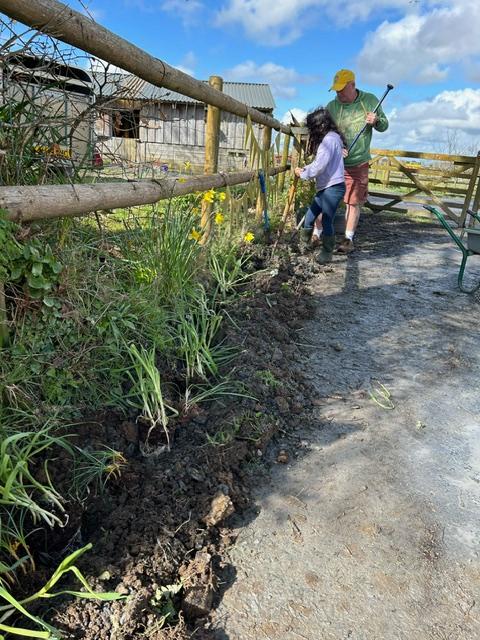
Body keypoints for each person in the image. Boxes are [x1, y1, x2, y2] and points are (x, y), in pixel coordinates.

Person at [326, 69, 389, 253]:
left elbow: (384, 125)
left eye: (341, 89)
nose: (338, 93)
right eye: (336, 90)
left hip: (358, 162)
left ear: (352, 85)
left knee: (352, 202)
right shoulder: (332, 106)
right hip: (335, 163)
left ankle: (348, 239)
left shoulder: (369, 100)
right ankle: (317, 234)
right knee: (326, 198)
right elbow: (326, 132)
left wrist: (376, 120)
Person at [294, 107, 346, 264]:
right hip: (326, 187)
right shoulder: (334, 137)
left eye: (312, 128)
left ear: (320, 126)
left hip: (332, 187)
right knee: (309, 216)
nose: (312, 132)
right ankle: (305, 245)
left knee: (327, 220)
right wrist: (305, 169)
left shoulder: (328, 142)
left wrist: (302, 173)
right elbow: (319, 163)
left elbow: (319, 167)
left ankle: (327, 252)